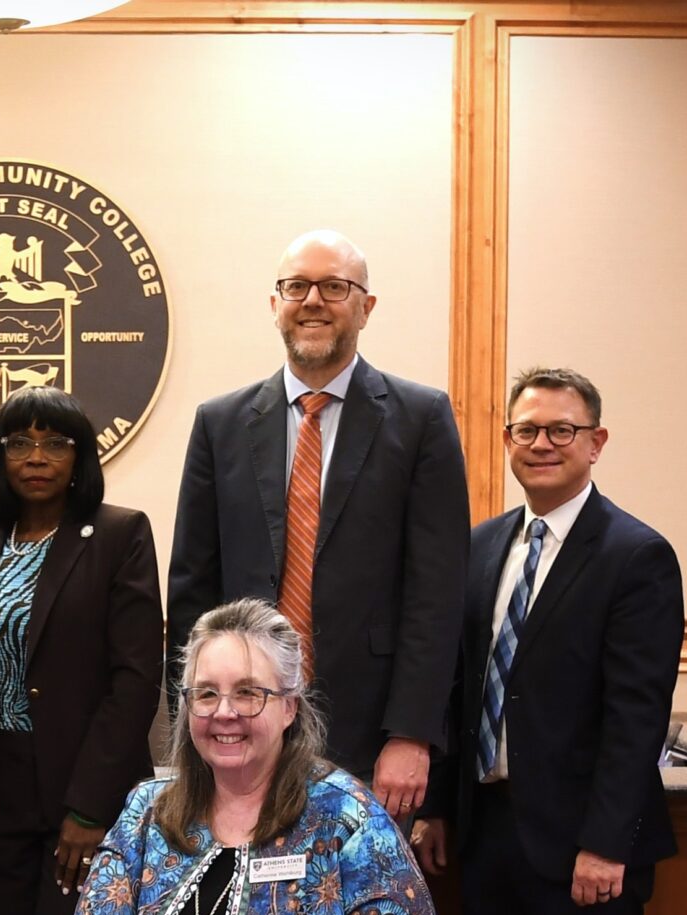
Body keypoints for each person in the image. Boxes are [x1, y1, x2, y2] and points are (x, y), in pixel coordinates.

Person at [165, 229, 470, 817]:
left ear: (366, 306)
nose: (312, 301)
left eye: (335, 287)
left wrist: (411, 734)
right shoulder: (219, 424)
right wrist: (196, 718)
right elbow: (191, 591)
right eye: (296, 287)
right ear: (274, 303)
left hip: (370, 729)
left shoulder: (421, 418)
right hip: (240, 728)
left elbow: (437, 594)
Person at [413, 367, 684, 915]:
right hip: (489, 835)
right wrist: (441, 806)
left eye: (562, 429)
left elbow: (636, 716)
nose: (541, 444)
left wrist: (606, 843)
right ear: (507, 441)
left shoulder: (636, 555)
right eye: (526, 430)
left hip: (582, 846)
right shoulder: (481, 547)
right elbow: (458, 690)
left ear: (596, 442)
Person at [65, 599, 439, 915]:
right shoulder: (147, 807)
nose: (224, 712)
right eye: (206, 694)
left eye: (248, 693)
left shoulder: (348, 818)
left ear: (289, 707)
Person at [0, 385, 163, 915]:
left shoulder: (119, 534)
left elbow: (135, 680)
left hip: (79, 786)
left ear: (80, 457)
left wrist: (90, 808)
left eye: (55, 442)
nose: (36, 456)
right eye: (19, 442)